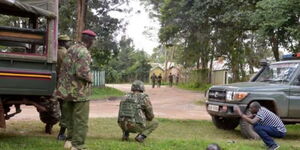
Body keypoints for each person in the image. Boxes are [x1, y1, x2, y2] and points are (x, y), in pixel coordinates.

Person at [56, 29, 96, 150]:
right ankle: (78, 146)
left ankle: (69, 141)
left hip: (66, 90)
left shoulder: (71, 49)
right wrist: (91, 78)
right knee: (81, 120)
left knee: (70, 118)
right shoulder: (84, 52)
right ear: (90, 40)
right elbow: (82, 73)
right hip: (79, 92)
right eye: (93, 40)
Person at [56, 34, 71, 140]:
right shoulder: (65, 53)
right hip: (65, 85)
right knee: (66, 109)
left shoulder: (54, 52)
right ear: (63, 42)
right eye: (67, 42)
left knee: (62, 108)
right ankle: (61, 134)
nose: (68, 44)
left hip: (57, 84)